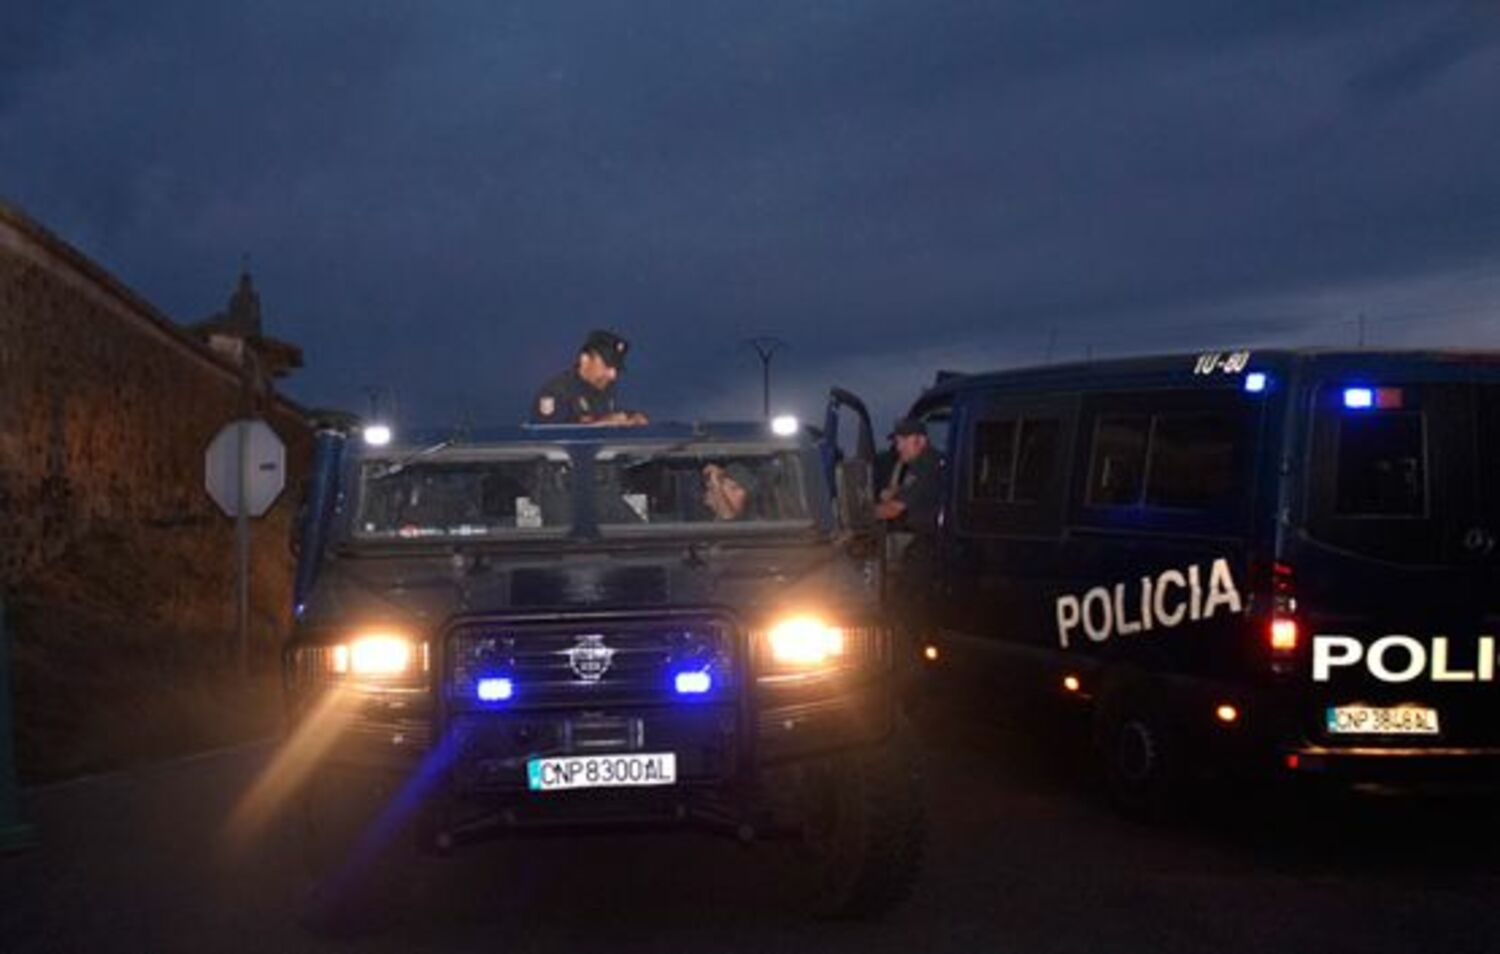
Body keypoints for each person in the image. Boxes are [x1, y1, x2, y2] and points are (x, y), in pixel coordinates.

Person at [530, 330, 649, 426]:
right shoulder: (557, 392)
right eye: (607, 367)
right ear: (585, 359)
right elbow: (550, 441)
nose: (612, 375)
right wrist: (601, 425)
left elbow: (607, 415)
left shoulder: (605, 387)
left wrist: (632, 418)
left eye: (616, 369)